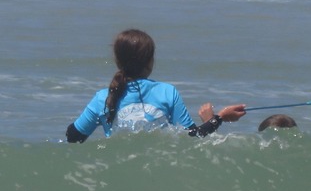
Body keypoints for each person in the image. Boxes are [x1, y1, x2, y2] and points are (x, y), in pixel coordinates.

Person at [65, 29, 247, 142]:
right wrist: (219, 118)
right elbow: (193, 136)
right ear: (150, 61)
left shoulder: (102, 98)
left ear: (117, 61)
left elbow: (73, 136)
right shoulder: (167, 92)